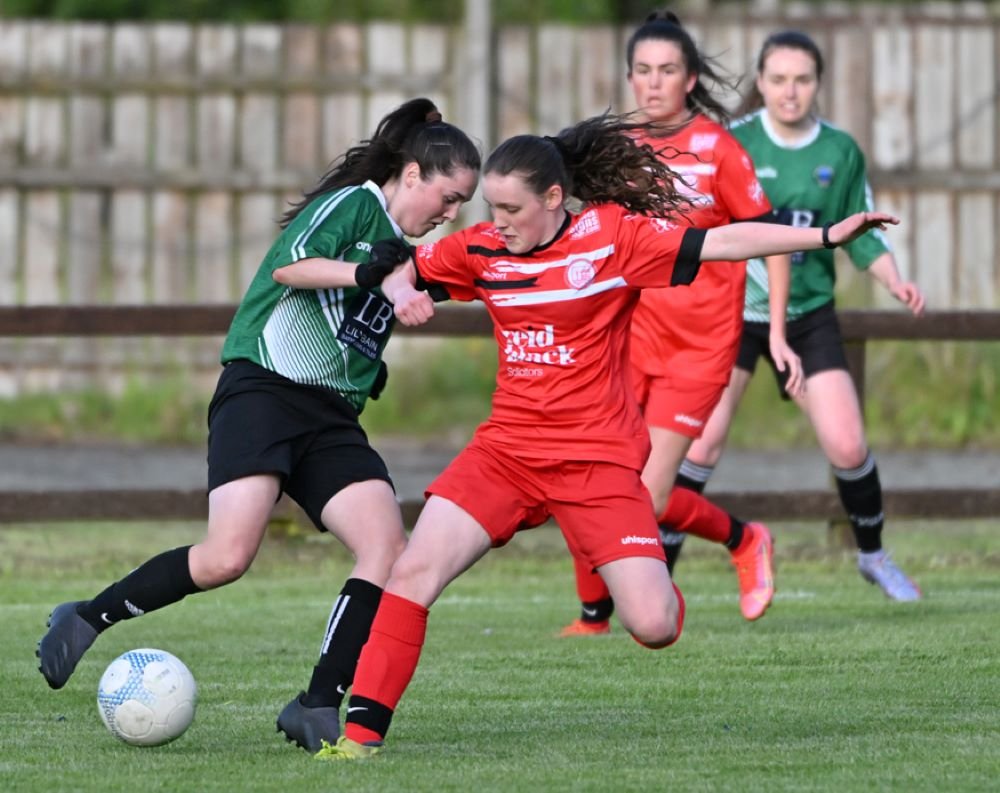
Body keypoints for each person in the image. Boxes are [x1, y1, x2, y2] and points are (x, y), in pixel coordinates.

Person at [305, 111, 900, 760]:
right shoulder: (481, 249)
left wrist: (825, 236)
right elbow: (410, 264)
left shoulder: (612, 238)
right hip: (507, 454)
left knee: (652, 624)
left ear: (554, 199)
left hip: (597, 464)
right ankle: (359, 738)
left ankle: (660, 584)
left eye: (512, 208)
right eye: (491, 207)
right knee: (413, 568)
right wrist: (395, 285)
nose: (498, 221)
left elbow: (722, 242)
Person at [35, 98, 481, 753]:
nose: (451, 212)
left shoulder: (404, 254)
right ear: (411, 174)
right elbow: (290, 268)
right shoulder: (355, 207)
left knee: (386, 546)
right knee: (226, 557)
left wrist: (375, 342)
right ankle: (86, 616)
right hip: (264, 390)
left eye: (463, 203)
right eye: (448, 196)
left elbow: (353, 332)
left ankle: (316, 703)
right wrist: (372, 275)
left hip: (329, 417)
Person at [559, 10, 803, 635]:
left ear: (691, 79)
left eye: (667, 70)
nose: (653, 83)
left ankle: (746, 539)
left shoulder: (719, 150)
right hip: (626, 338)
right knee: (596, 472)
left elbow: (771, 240)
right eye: (642, 70)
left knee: (650, 496)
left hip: (699, 346)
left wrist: (774, 329)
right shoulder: (617, 151)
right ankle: (594, 618)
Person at [680, 30, 926, 601]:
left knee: (846, 444)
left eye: (803, 80)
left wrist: (896, 281)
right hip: (734, 314)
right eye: (779, 79)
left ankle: (873, 556)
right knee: (700, 444)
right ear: (761, 83)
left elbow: (859, 234)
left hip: (810, 315)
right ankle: (655, 572)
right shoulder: (729, 143)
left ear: (818, 84)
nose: (790, 92)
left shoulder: (839, 152)